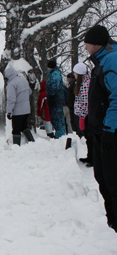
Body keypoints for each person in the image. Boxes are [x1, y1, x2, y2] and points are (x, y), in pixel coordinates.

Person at [84, 25, 117, 232]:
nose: (85, 46)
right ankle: (112, 220)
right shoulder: (100, 62)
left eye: (87, 42)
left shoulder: (111, 61)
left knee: (113, 181)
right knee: (102, 178)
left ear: (95, 44)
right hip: (100, 132)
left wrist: (109, 130)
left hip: (110, 133)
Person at [5, 68, 35, 146]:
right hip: (27, 109)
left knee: (16, 129)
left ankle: (16, 147)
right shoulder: (23, 80)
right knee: (24, 126)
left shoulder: (11, 84)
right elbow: (30, 92)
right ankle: (32, 143)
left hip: (18, 111)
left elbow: (11, 99)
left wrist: (9, 111)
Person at [72, 62, 93, 167]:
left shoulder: (85, 84)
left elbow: (85, 102)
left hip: (86, 116)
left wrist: (82, 115)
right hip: (85, 115)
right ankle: (90, 157)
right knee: (88, 137)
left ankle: (92, 158)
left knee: (90, 137)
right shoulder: (85, 82)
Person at [46, 60, 66, 138]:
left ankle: (60, 137)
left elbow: (55, 87)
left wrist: (51, 96)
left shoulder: (55, 74)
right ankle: (59, 136)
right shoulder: (55, 74)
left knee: (57, 120)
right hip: (55, 100)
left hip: (55, 101)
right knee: (56, 120)